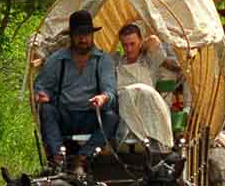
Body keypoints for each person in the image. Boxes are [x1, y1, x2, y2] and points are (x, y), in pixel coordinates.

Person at [35, 10, 119, 161]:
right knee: (47, 110)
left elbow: (110, 90)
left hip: (91, 116)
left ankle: (82, 157)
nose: (83, 38)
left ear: (92, 35)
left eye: (86, 34)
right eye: (78, 34)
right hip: (65, 115)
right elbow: (41, 86)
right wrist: (42, 94)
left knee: (111, 117)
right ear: (71, 36)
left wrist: (103, 98)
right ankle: (57, 156)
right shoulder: (57, 60)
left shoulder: (103, 60)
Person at [116, 21, 180, 90]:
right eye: (125, 45)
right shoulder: (118, 63)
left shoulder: (149, 59)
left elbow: (154, 40)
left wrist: (142, 47)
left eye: (132, 44)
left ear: (141, 41)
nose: (129, 49)